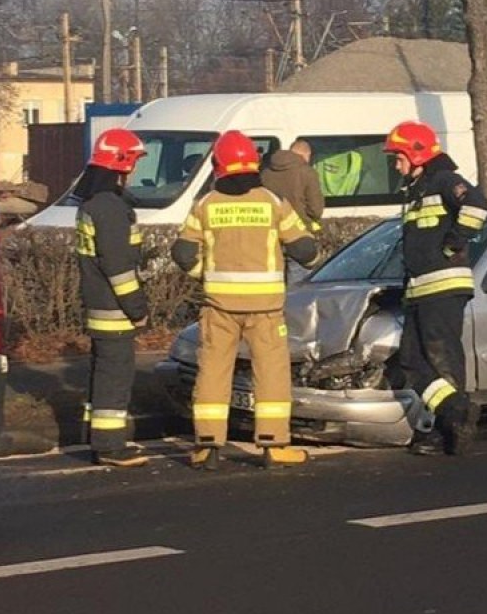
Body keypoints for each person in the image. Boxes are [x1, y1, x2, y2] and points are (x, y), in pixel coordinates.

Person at [172, 130, 320, 470]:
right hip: (266, 310)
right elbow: (305, 250)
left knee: (212, 372)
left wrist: (204, 274)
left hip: (219, 308)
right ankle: (274, 445)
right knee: (271, 374)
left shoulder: (206, 204)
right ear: (254, 163)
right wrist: (310, 258)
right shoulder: (272, 202)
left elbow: (182, 252)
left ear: (218, 165)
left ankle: (208, 446)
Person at [383, 120, 487, 457]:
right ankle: (454, 412)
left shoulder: (443, 180)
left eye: (398, 158)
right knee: (412, 361)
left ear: (416, 155)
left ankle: (450, 428)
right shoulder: (417, 189)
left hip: (442, 288)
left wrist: (455, 240)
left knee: (443, 360)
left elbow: (476, 204)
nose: (395, 165)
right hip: (420, 291)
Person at [73, 128, 150, 467]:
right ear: (124, 163)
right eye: (134, 161)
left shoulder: (92, 204)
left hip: (98, 305)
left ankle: (96, 437)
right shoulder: (111, 208)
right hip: (115, 309)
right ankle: (110, 446)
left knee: (101, 373)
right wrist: (138, 309)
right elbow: (118, 268)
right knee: (114, 377)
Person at [261, 138, 324, 234]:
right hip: (299, 229)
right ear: (306, 154)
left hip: (272, 227)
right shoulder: (308, 173)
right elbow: (316, 210)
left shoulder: (265, 172)